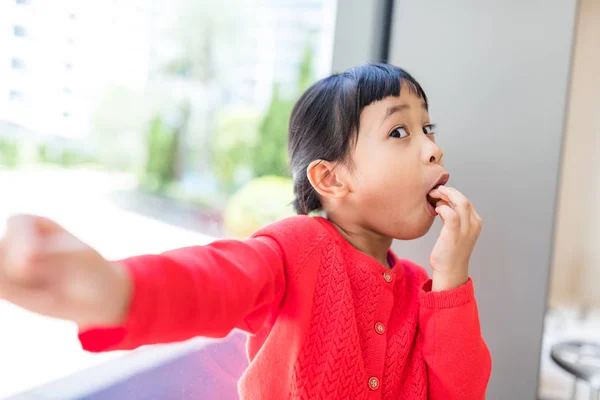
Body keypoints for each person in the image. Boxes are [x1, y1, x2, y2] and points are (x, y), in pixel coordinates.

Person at [0, 63, 491, 399]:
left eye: (429, 129)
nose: (433, 148)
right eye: (400, 132)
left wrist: (451, 281)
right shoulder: (299, 246)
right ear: (332, 178)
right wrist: (117, 289)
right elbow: (218, 279)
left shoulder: (419, 287)